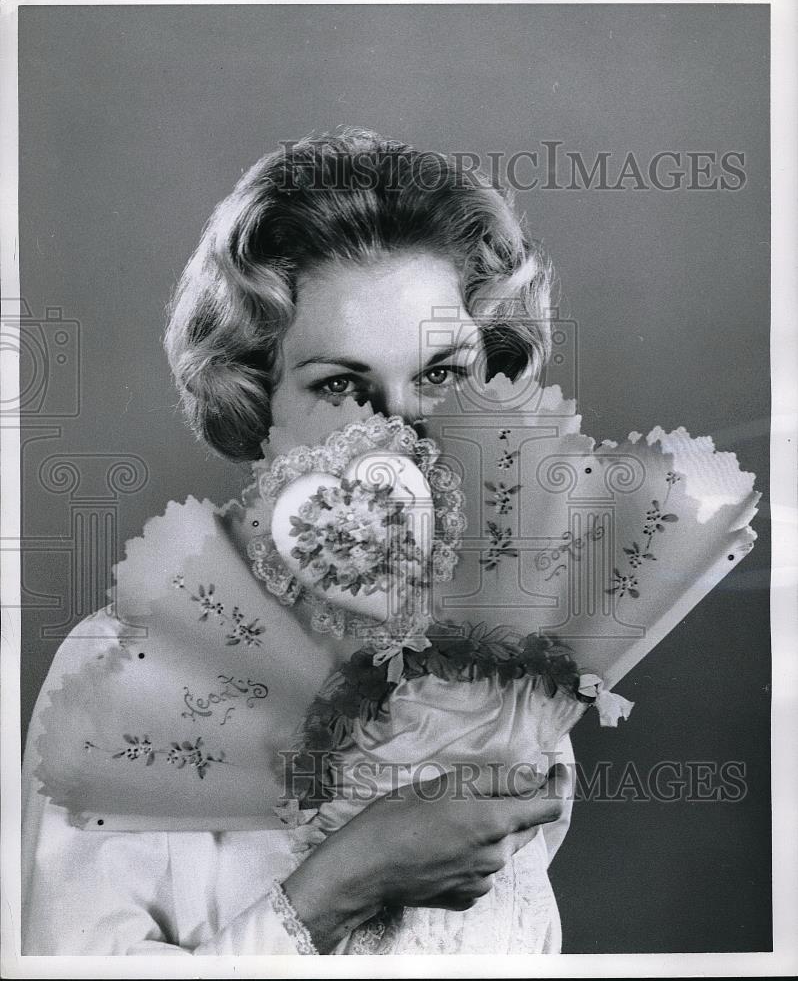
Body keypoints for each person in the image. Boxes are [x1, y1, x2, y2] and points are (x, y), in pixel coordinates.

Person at [22, 129, 576, 955]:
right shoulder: (126, 669)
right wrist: (344, 884)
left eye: (440, 374)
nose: (402, 438)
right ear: (258, 400)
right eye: (342, 385)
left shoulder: (500, 660)